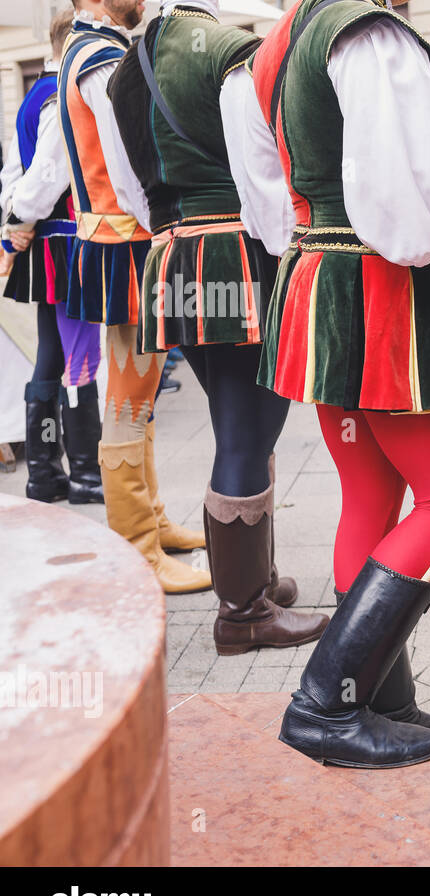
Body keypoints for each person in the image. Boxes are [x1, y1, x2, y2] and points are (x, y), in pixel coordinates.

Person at [224, 0, 430, 768]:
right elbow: (407, 205)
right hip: (383, 287)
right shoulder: (368, 31)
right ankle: (325, 702)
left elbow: (269, 200)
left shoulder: (279, 41)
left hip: (319, 280)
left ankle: (377, 693)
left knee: (372, 499)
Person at [105, 0, 328, 653]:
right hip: (234, 248)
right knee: (248, 427)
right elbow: (266, 171)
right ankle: (243, 613)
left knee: (243, 424)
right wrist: (290, 250)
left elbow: (128, 194)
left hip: (172, 254)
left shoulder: (123, 70)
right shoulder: (227, 49)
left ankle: (253, 580)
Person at [57, 0, 209, 593]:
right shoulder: (98, 56)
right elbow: (127, 166)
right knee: (126, 399)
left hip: (117, 238)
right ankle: (139, 552)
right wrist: (161, 229)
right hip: (127, 241)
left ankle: (152, 526)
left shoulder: (87, 48)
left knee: (136, 395)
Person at [2, 7, 105, 507]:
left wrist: (14, 223)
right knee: (80, 359)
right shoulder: (61, 94)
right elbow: (46, 176)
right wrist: (18, 221)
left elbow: (12, 173)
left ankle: (46, 473)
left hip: (46, 241)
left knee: (53, 355)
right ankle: (84, 472)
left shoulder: (32, 96)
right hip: (65, 239)